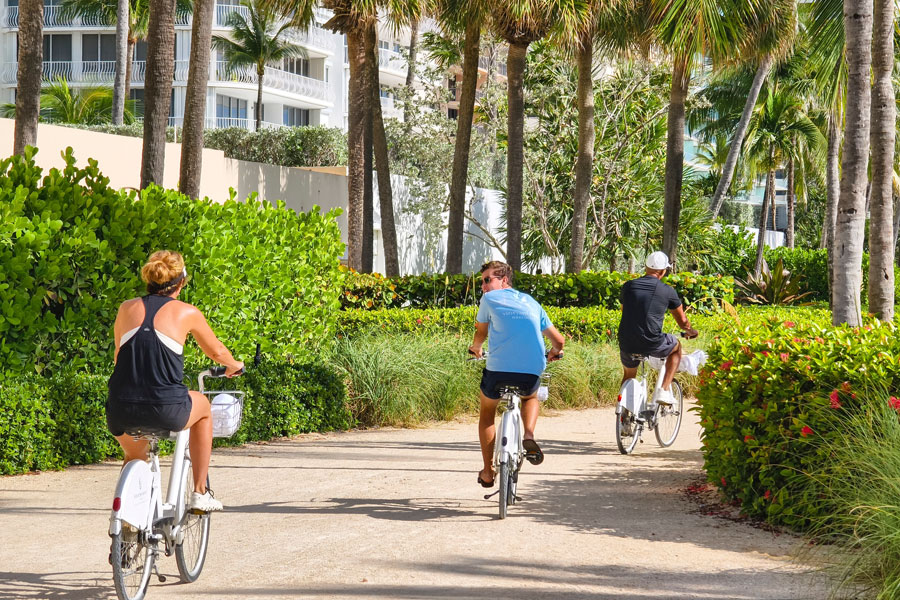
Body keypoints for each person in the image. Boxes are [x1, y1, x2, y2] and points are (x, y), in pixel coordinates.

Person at [107, 250, 244, 512]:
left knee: (135, 455)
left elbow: (118, 357)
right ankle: (200, 492)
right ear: (181, 281)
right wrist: (234, 366)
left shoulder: (126, 308)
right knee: (203, 406)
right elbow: (216, 352)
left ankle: (125, 524)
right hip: (166, 407)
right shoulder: (187, 312)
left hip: (120, 408)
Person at [468, 261, 564, 488]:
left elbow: (481, 331)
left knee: (487, 411)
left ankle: (488, 471)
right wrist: (554, 353)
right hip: (531, 370)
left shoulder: (489, 299)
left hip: (498, 369)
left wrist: (476, 348)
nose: (483, 286)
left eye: (487, 280)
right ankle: (528, 435)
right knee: (530, 397)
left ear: (503, 280)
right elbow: (559, 341)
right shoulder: (532, 302)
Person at [618, 251, 698, 407]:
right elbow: (683, 322)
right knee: (676, 347)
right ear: (663, 271)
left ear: (646, 268)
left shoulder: (628, 286)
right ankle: (664, 389)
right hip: (652, 342)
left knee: (629, 375)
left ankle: (624, 416)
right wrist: (691, 331)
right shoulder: (668, 291)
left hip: (626, 341)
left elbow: (624, 309)